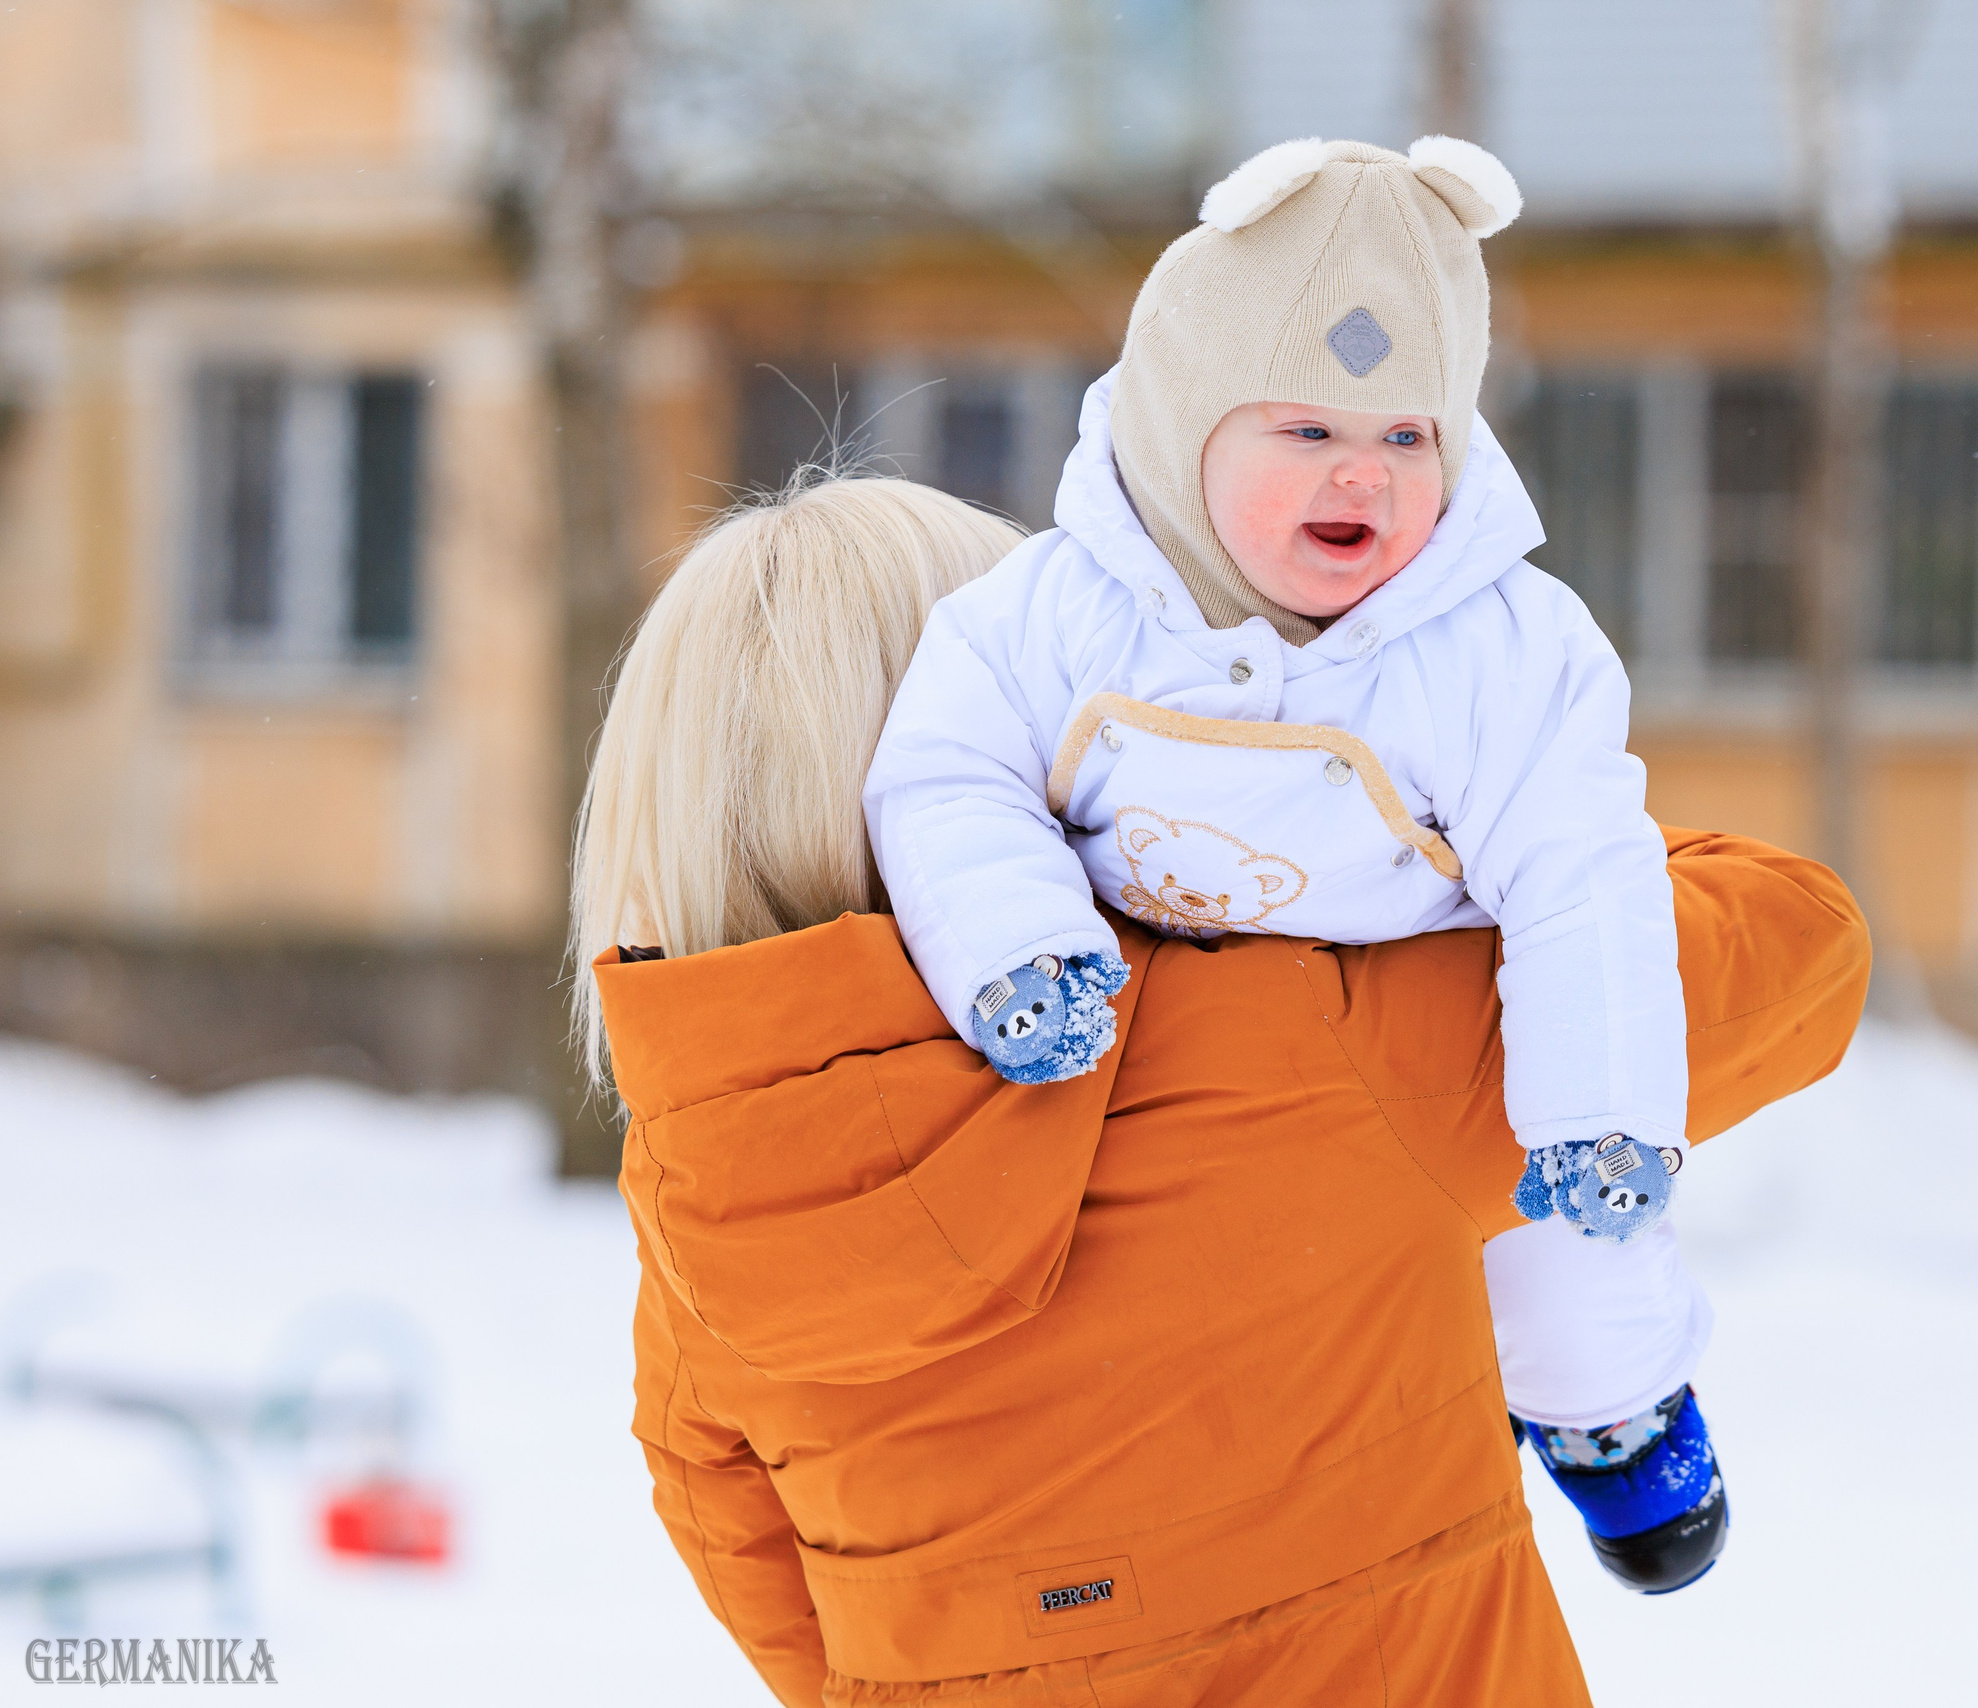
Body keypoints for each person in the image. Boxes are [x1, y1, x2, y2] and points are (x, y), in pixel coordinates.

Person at [572, 474, 1870, 1703]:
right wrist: (1448, 838)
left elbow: (745, 1554)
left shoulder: (706, 1198)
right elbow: (1802, 945)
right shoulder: (1311, 1027)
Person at [862, 137, 1718, 1587]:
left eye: (1406, 438)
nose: (1363, 476)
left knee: (1557, 1270)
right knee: (1175, 1298)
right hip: (1156, 1043)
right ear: (1185, 425)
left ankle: (1610, 1415)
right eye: (1307, 430)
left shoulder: (1503, 649)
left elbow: (1583, 877)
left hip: (1434, 1036)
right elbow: (948, 777)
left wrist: (1603, 1116)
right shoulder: (1050, 616)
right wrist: (1017, 949)